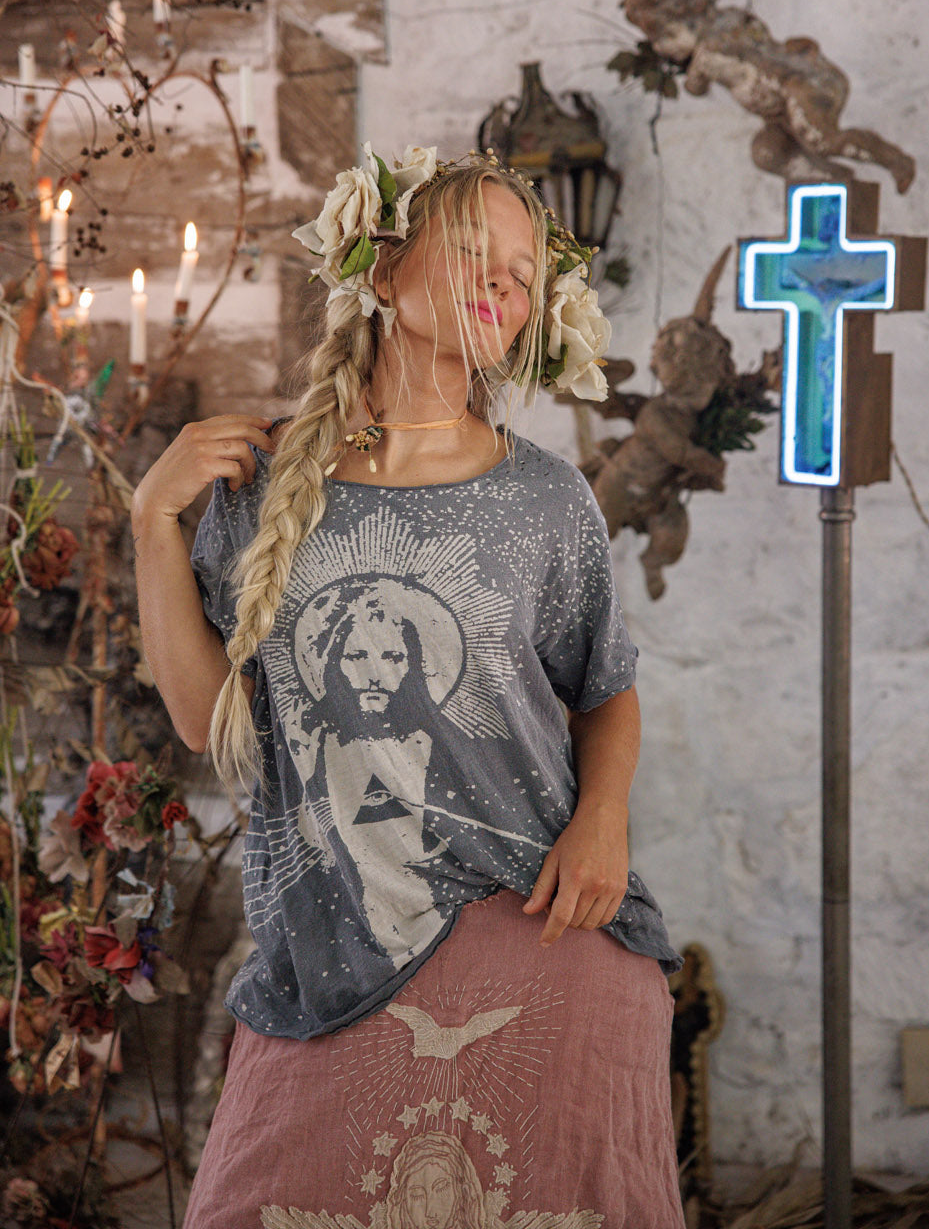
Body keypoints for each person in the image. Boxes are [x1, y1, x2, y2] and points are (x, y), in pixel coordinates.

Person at [133, 147, 686, 1229]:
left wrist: (604, 820)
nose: (501, 284)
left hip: (539, 930)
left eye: (523, 274)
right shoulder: (260, 486)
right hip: (322, 952)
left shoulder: (547, 499)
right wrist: (154, 520)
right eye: (475, 251)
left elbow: (604, 688)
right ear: (382, 271)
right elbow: (202, 718)